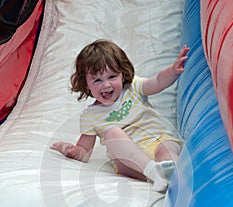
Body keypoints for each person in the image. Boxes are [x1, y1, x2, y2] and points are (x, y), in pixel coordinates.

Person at [50, 39, 190, 191]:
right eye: (97, 80)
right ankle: (153, 172)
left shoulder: (133, 88)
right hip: (130, 162)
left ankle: (173, 178)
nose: (106, 85)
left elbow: (157, 82)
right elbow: (84, 152)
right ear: (86, 84)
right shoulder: (90, 116)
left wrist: (172, 71)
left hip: (157, 140)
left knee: (167, 151)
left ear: (123, 74)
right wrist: (71, 151)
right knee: (113, 133)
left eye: (112, 77)